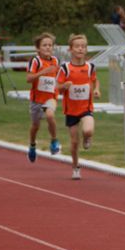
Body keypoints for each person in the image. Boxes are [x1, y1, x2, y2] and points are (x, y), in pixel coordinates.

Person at [56, 34, 101, 180]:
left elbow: (95, 80)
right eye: (77, 46)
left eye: (83, 46)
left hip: (86, 108)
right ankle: (75, 167)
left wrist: (96, 89)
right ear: (71, 49)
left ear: (86, 49)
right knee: (74, 142)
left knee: (88, 130)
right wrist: (65, 85)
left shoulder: (90, 67)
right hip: (71, 110)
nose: (80, 49)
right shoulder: (65, 68)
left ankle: (87, 138)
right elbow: (57, 87)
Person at [26, 32, 61, 162]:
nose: (48, 47)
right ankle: (32, 146)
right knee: (35, 126)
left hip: (50, 97)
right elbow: (29, 79)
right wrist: (42, 72)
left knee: (50, 116)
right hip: (36, 100)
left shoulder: (56, 61)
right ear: (38, 48)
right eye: (44, 45)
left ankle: (54, 141)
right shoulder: (35, 61)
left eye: (50, 45)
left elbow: (58, 78)